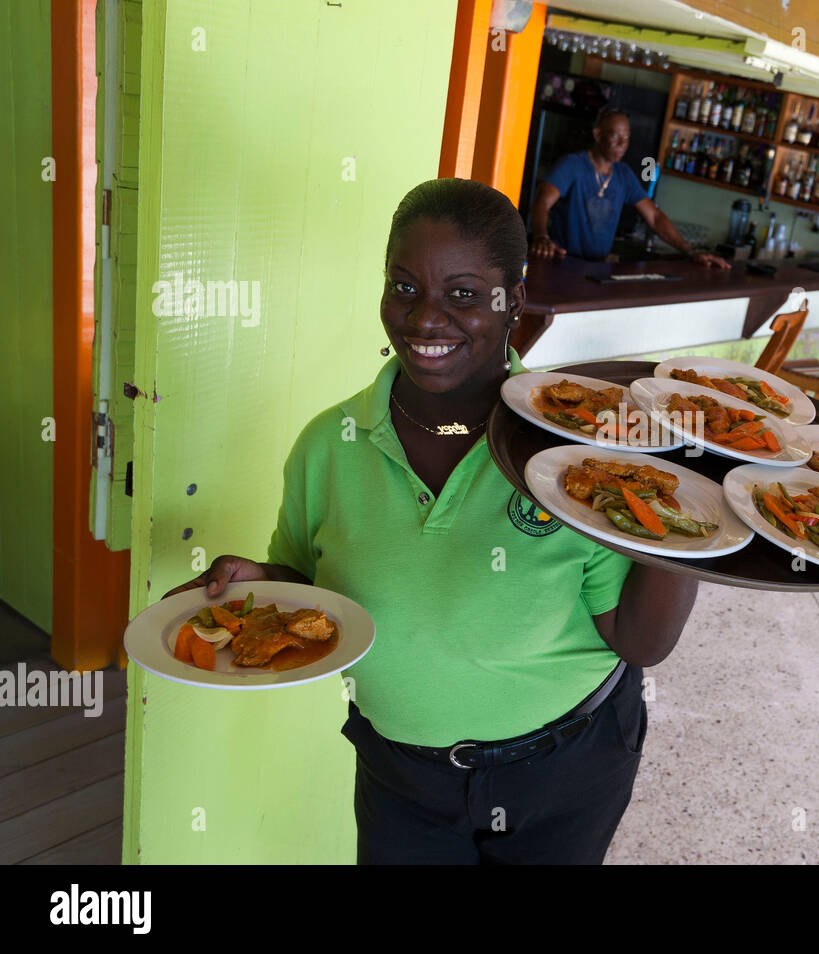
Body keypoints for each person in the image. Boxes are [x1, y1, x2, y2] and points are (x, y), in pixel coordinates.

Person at [164, 178, 700, 865]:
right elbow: (308, 584)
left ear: (514, 303)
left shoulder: (578, 455)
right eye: (404, 286)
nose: (425, 319)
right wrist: (259, 582)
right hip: (402, 780)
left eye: (465, 295)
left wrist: (688, 501)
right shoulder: (328, 445)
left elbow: (640, 641)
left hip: (563, 772)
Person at [529, 105, 730, 268]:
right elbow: (542, 201)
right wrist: (541, 235)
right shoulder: (572, 165)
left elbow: (655, 217)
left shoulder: (624, 174)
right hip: (561, 264)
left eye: (627, 138)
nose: (622, 144)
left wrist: (690, 251)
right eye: (615, 136)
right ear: (598, 135)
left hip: (596, 267)